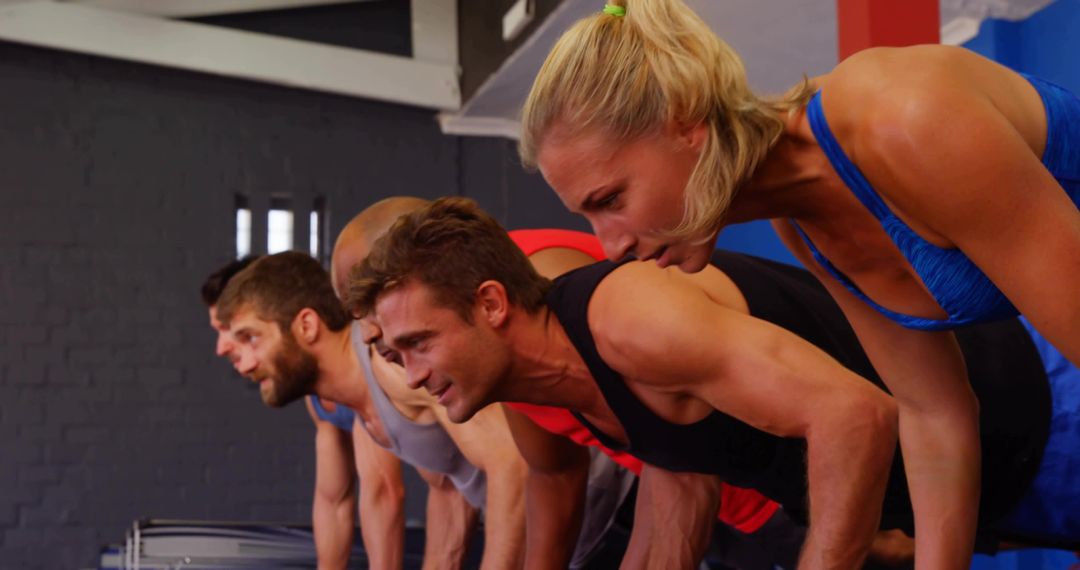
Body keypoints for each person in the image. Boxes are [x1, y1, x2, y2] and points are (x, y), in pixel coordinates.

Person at [517, 1, 1080, 566]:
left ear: (684, 120)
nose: (610, 246)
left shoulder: (898, 120)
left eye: (610, 200)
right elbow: (935, 414)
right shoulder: (801, 223)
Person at [348, 197, 1079, 569]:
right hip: (981, 482)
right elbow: (679, 494)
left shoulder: (626, 315)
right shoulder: (552, 390)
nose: (407, 375)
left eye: (417, 344)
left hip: (1035, 403)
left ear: (491, 303)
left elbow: (854, 416)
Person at [333, 197, 830, 570]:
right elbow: (554, 475)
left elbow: (687, 464)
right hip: (732, 488)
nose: (380, 343)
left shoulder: (569, 294)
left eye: (382, 316)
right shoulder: (502, 359)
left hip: (780, 464)